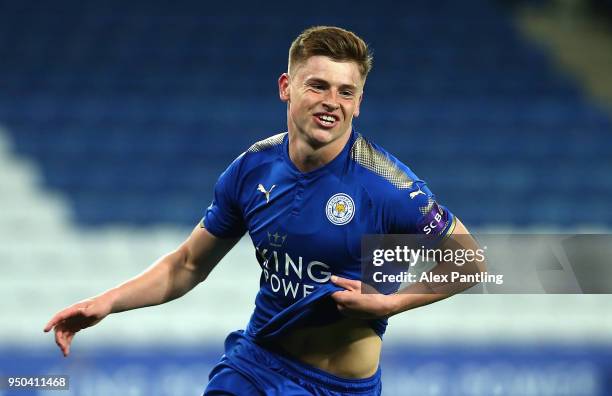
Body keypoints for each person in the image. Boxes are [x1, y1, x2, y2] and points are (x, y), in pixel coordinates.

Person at [44, 26, 483, 395]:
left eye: (346, 91)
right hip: (257, 365)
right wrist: (106, 302)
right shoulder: (252, 168)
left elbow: (471, 262)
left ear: (359, 103)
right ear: (286, 87)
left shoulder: (386, 185)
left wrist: (392, 304)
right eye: (318, 85)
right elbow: (187, 265)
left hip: (338, 386)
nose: (332, 101)